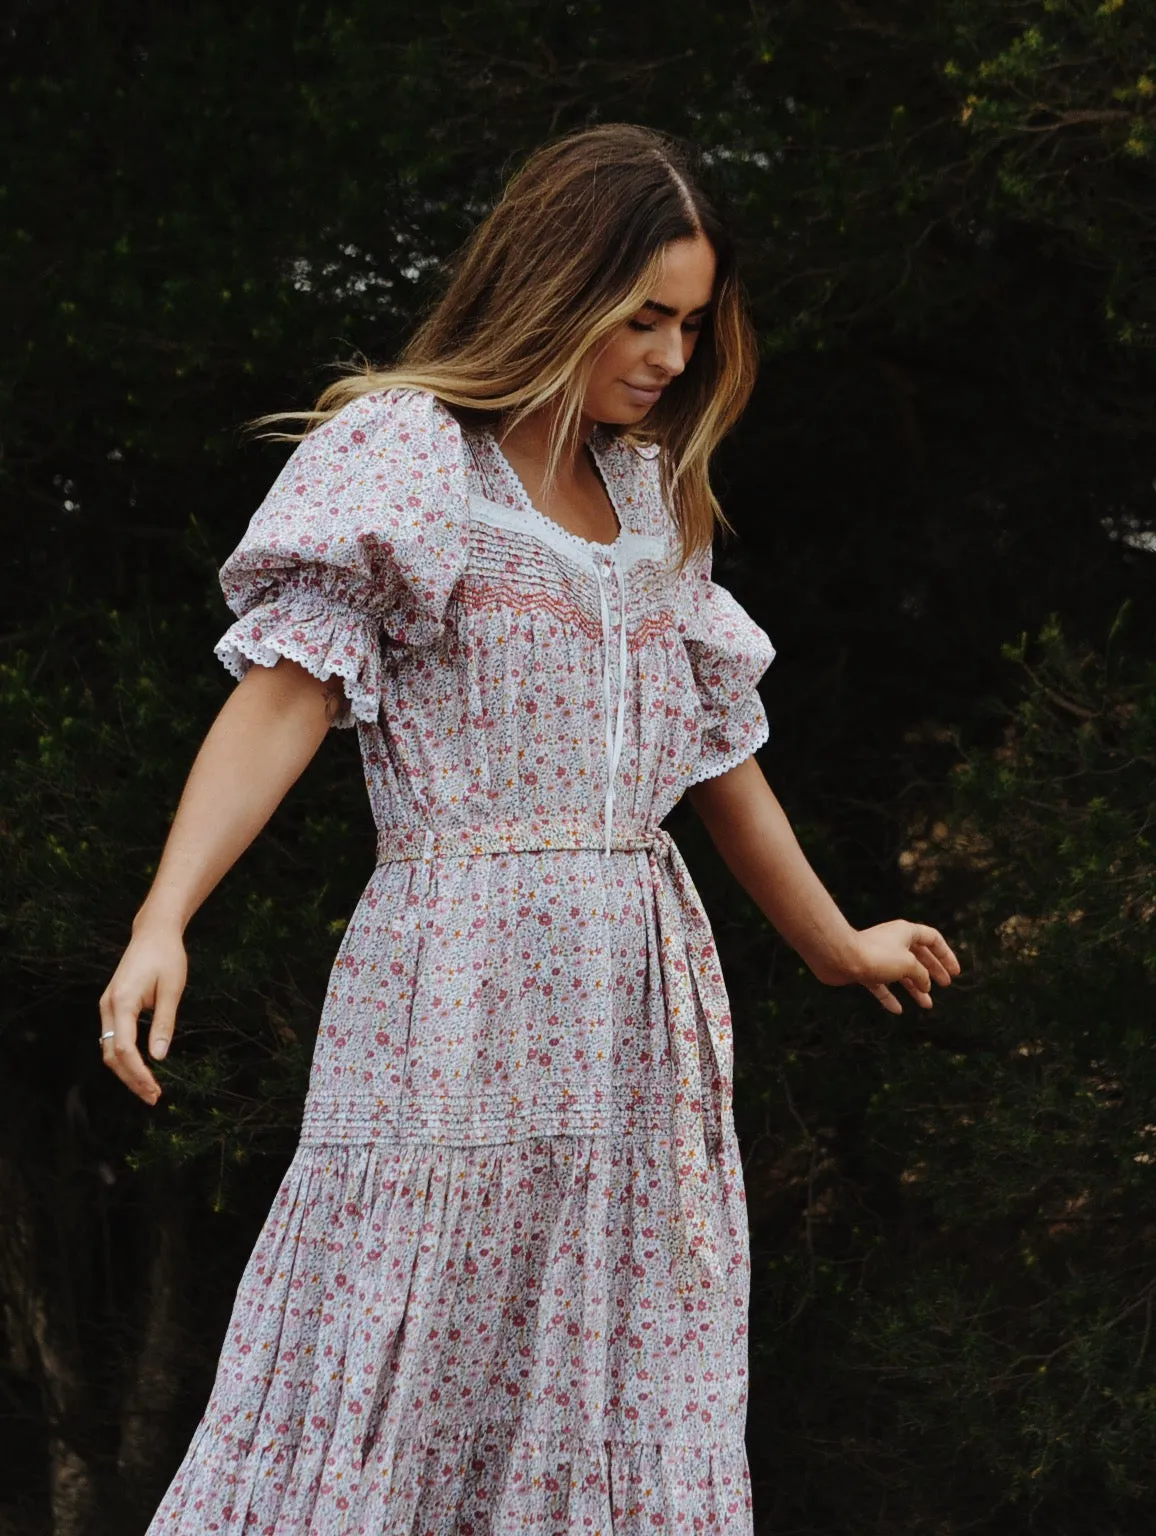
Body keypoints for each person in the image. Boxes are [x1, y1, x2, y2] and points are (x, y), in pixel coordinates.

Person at [100, 123, 960, 1534]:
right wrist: (161, 920)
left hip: (638, 1012)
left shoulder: (648, 500)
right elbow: (285, 698)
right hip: (453, 989)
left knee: (622, 1346)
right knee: (413, 1322)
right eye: (643, 318)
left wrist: (831, 943)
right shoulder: (411, 458)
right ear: (557, 286)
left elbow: (716, 757)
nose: (673, 357)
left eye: (692, 323)